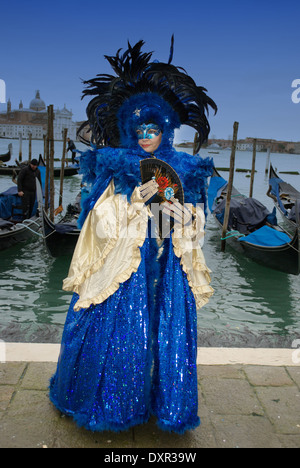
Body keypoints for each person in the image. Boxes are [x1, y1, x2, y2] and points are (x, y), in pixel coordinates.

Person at [49, 39, 217, 434]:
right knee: (122, 334)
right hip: (127, 264)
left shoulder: (186, 170)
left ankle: (165, 405)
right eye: (139, 130)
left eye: (153, 130)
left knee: (165, 334)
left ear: (165, 131)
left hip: (168, 265)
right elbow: (95, 221)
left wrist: (186, 217)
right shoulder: (115, 167)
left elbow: (199, 224)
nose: (145, 138)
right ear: (129, 130)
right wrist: (131, 202)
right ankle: (114, 405)